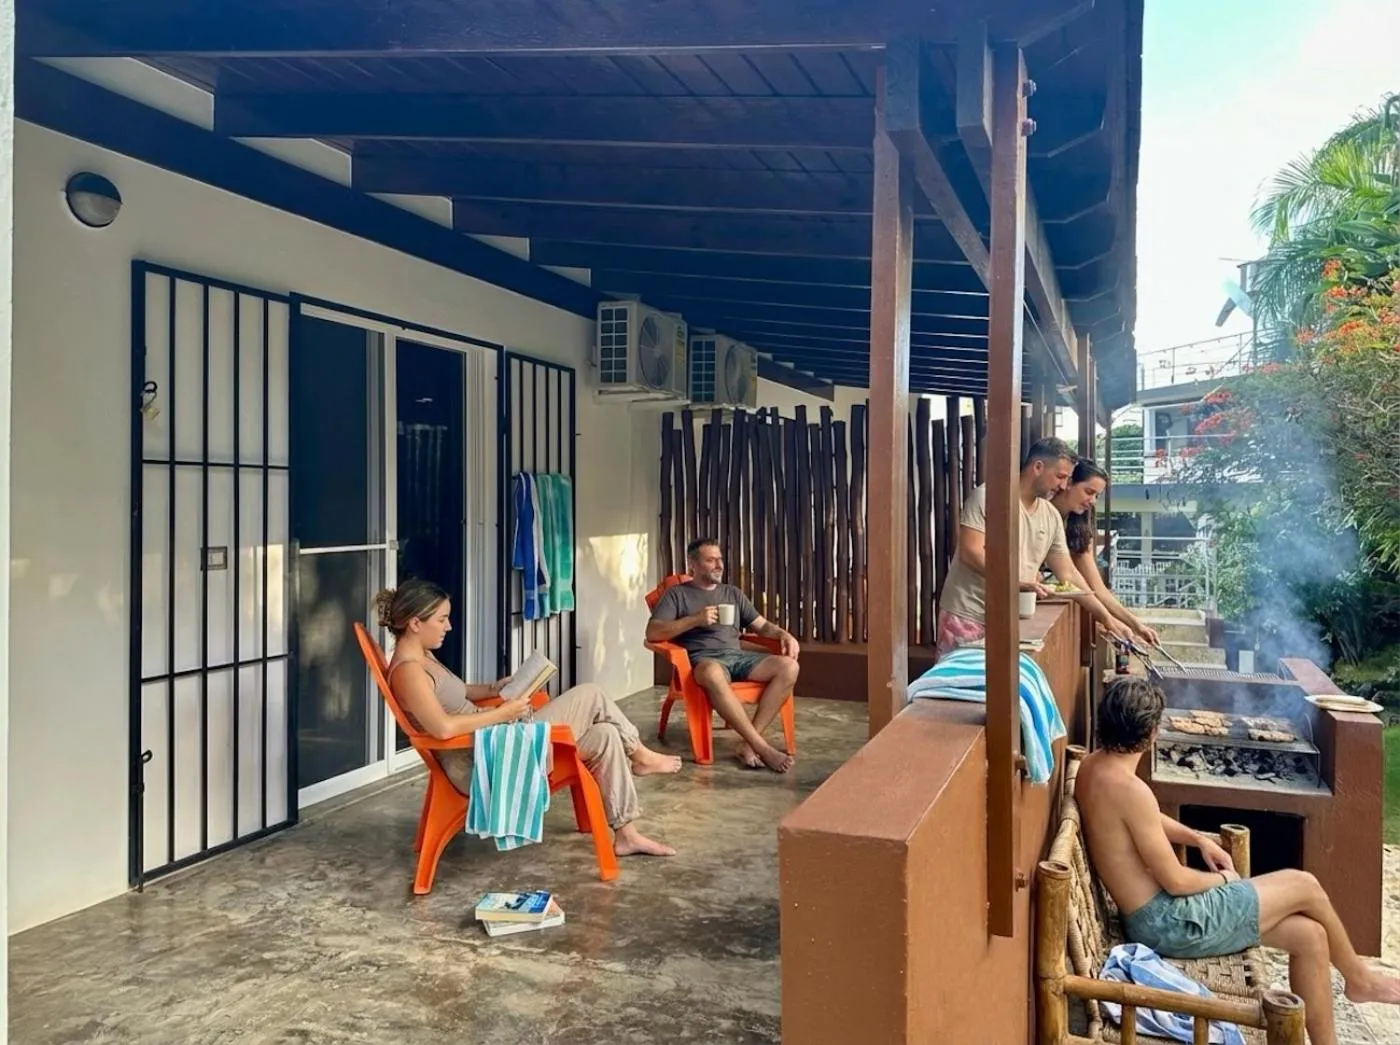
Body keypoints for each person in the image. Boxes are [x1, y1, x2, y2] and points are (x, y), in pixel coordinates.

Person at [1077, 677, 1400, 1045]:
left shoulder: (1094, 769)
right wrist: (1229, 881)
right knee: (1304, 885)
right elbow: (1177, 882)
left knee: (1310, 936)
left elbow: (1142, 819)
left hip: (1154, 917)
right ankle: (1359, 979)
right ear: (1152, 732)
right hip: (1170, 921)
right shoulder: (1132, 790)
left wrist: (1197, 838)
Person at [378, 579, 681, 859]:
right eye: (442, 619)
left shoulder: (423, 657)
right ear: (415, 623)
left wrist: (496, 688)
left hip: (495, 738)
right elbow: (442, 728)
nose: (449, 626)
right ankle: (640, 754)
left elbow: (458, 693)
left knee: (605, 735)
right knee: (590, 694)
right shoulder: (409, 672)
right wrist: (503, 712)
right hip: (482, 758)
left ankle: (626, 834)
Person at [936, 437, 1134, 656]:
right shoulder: (989, 496)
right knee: (953, 687)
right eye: (1060, 476)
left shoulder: (1050, 516)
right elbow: (970, 552)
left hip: (1011, 620)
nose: (1062, 485)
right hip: (967, 614)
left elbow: (1069, 575)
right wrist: (1017, 581)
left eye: (1067, 478)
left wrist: (1107, 619)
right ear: (1037, 467)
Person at [645, 537, 800, 773]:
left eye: (720, 559)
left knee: (789, 667)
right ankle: (762, 747)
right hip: (705, 662)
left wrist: (784, 635)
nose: (719, 565)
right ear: (693, 565)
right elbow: (653, 632)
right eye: (711, 560)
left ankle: (748, 744)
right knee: (711, 672)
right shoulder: (677, 595)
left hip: (738, 658)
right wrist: (695, 619)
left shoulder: (733, 593)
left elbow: (762, 626)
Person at [1050, 458, 1161, 647]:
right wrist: (1108, 619)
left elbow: (1097, 588)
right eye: (1089, 492)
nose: (1091, 501)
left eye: (1097, 496)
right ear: (1068, 483)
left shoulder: (1078, 525)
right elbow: (1069, 577)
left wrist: (1137, 625)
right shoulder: (1043, 513)